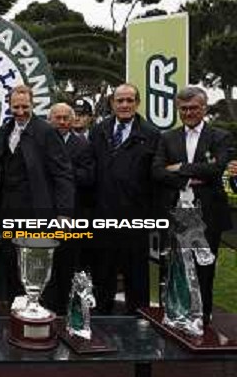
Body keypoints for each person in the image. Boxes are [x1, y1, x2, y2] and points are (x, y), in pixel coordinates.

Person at [0, 85, 74, 302]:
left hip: (36, 210)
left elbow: (63, 174)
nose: (20, 111)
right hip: (7, 210)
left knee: (35, 263)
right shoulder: (5, 130)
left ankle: (38, 311)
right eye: (16, 107)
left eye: (25, 106)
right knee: (8, 262)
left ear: (33, 105)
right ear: (9, 106)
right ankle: (10, 310)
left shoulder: (46, 131)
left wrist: (64, 213)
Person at [152, 86, 232, 325]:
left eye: (193, 107)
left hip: (207, 213)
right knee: (173, 265)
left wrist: (178, 167)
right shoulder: (167, 137)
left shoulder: (220, 137)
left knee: (204, 268)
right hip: (175, 211)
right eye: (183, 108)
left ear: (204, 108)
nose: (188, 112)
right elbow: (156, 171)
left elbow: (216, 169)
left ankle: (202, 318)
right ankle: (175, 314)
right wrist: (190, 176)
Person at [90, 83, 160, 314]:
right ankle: (99, 326)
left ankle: (138, 328)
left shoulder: (152, 134)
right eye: (120, 100)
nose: (125, 105)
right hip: (103, 217)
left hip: (136, 219)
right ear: (112, 103)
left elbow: (156, 177)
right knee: (102, 276)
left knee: (136, 278)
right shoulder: (98, 130)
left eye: (130, 100)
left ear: (137, 103)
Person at [43, 103, 95, 313]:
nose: (62, 122)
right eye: (58, 118)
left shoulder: (83, 145)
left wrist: (62, 172)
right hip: (44, 213)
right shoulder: (40, 141)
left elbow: (89, 177)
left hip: (73, 213)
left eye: (66, 118)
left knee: (67, 263)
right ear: (49, 120)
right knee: (46, 264)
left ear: (72, 121)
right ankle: (44, 306)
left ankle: (66, 309)